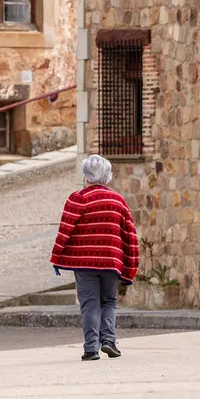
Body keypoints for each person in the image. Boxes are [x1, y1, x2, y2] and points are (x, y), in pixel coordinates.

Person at [50, 154, 140, 361]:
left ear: (86, 176)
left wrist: (57, 257)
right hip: (111, 262)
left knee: (89, 303)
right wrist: (131, 264)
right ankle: (109, 341)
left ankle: (91, 349)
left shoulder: (78, 198)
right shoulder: (118, 201)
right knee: (109, 301)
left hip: (85, 263)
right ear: (107, 176)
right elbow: (130, 234)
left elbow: (65, 231)